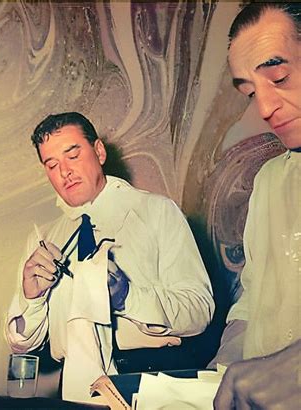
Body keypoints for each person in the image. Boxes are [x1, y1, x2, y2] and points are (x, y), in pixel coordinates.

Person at [6, 112, 214, 402]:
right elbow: (22, 344)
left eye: (73, 156)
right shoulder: (42, 240)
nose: (64, 172)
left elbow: (200, 310)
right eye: (51, 165)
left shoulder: (158, 212)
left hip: (150, 380)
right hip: (74, 389)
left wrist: (127, 297)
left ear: (100, 152)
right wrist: (32, 299)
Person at [211, 3, 301, 408]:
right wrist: (227, 360)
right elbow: (253, 296)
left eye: (278, 77)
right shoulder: (266, 182)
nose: (263, 109)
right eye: (250, 92)